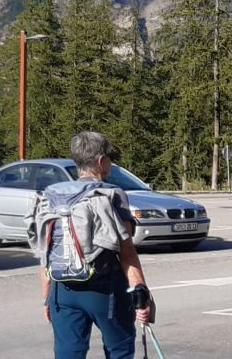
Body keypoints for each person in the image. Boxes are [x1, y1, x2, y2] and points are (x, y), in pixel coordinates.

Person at [28, 131, 155, 359]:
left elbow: (45, 253)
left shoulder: (53, 197)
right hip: (104, 289)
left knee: (68, 355)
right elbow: (126, 253)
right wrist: (140, 293)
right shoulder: (111, 194)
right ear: (99, 161)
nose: (110, 162)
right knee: (120, 350)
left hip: (61, 291)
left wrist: (47, 297)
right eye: (109, 157)